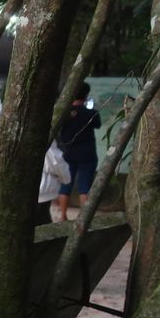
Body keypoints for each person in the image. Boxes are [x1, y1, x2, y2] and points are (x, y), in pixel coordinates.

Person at [57, 82, 102, 220]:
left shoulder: (63, 113)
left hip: (68, 153)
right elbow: (98, 125)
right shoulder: (91, 113)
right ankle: (83, 219)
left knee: (66, 184)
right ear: (86, 95)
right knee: (85, 186)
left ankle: (63, 216)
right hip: (87, 154)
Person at [37, 140, 71, 226]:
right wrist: (65, 177)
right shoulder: (45, 140)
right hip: (43, 188)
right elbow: (55, 162)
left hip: (41, 189)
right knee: (41, 220)